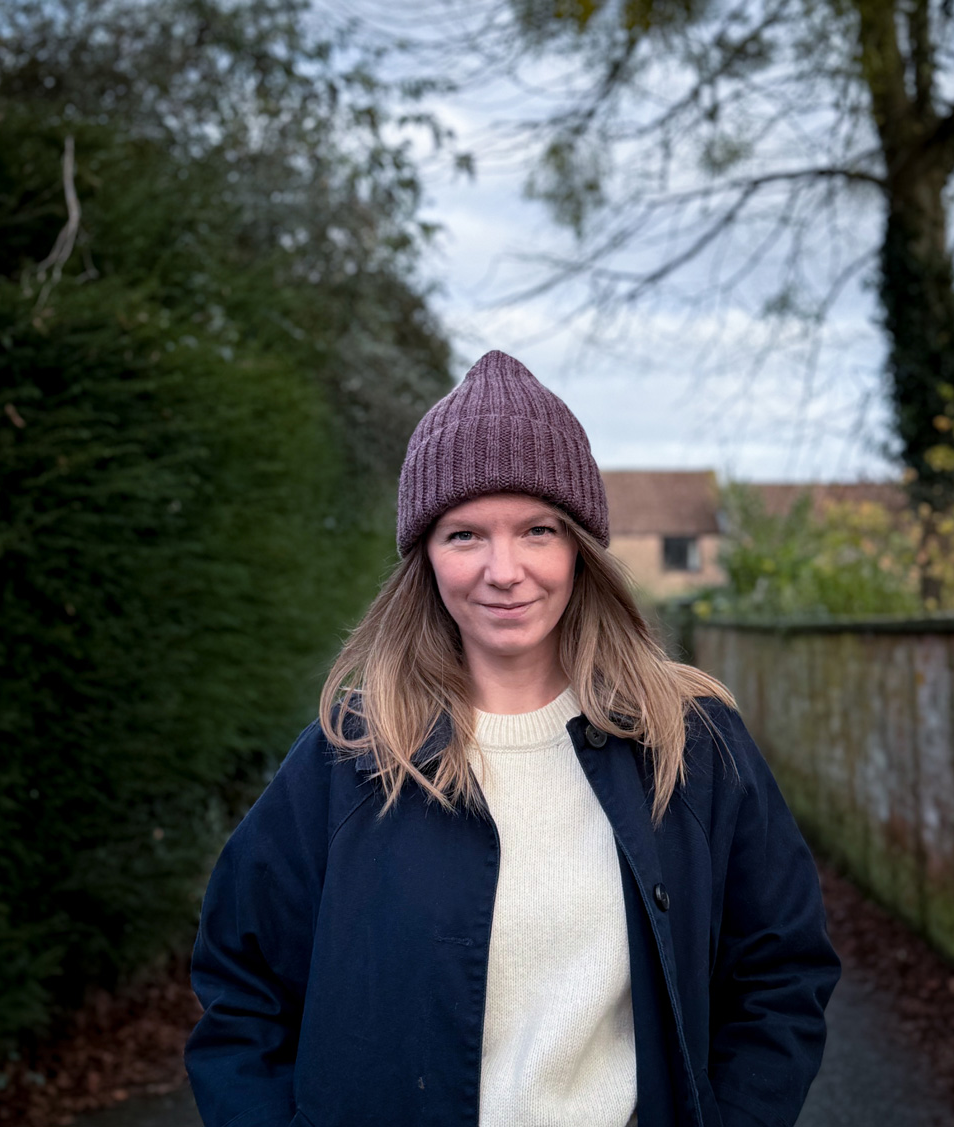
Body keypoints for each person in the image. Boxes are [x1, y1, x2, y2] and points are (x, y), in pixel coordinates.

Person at [185, 350, 840, 1127]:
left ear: (581, 549)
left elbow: (781, 973)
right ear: (424, 556)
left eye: (537, 529)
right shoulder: (350, 756)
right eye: (465, 534)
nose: (505, 570)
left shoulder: (690, 745)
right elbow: (240, 989)